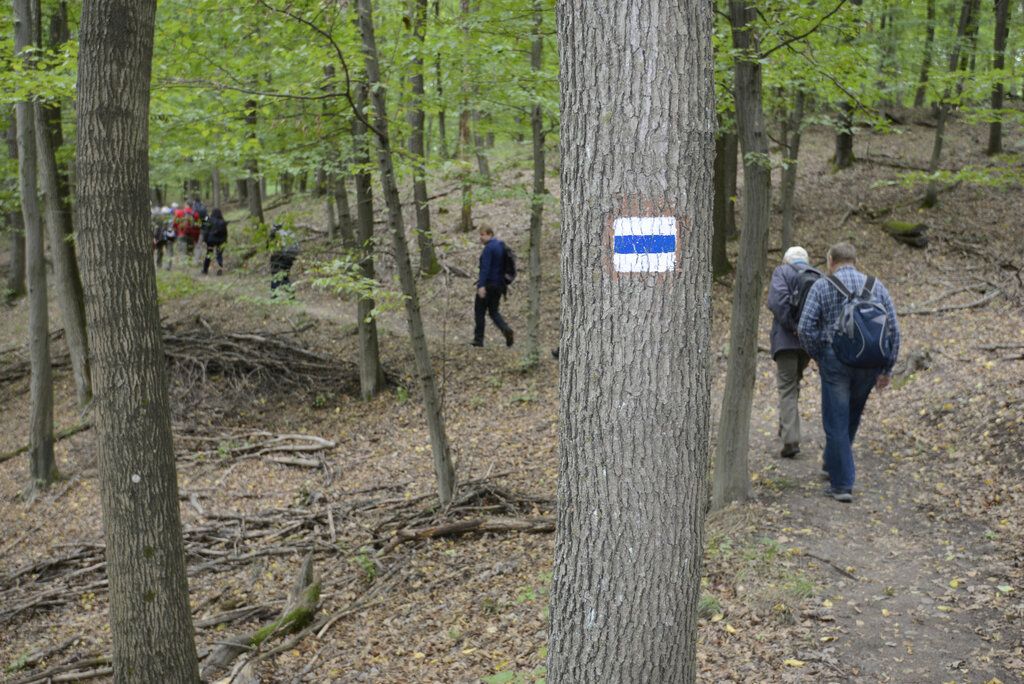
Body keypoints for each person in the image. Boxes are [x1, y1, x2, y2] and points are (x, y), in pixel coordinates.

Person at [798, 242, 901, 503]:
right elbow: (894, 331)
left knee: (835, 420)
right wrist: (887, 369)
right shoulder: (876, 286)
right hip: (870, 363)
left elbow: (805, 327)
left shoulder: (823, 285)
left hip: (836, 363)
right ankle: (832, 464)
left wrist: (819, 354)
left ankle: (842, 484)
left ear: (831, 260)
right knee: (851, 417)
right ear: (855, 260)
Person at [766, 246, 821, 459]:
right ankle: (785, 427)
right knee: (793, 383)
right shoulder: (818, 275)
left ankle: (790, 438)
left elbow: (776, 302)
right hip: (807, 345)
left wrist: (793, 327)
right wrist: (807, 331)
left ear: (787, 260)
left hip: (786, 342)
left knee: (787, 387)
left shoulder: (782, 272)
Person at [472, 226, 514, 347]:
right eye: (480, 234)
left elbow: (485, 268)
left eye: (482, 234)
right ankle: (506, 329)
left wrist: (481, 286)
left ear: (490, 234)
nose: (480, 237)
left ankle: (478, 340)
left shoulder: (489, 248)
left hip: (488, 284)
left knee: (479, 311)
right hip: (500, 285)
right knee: (494, 312)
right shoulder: (501, 245)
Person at [269, 223, 299, 295]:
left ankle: (275, 295)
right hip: (292, 256)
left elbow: (271, 245)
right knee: (284, 275)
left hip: (284, 255)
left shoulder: (277, 233)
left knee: (276, 275)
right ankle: (289, 294)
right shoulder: (289, 231)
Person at [203, 208, 228, 275]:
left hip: (211, 240)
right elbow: (225, 233)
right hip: (221, 241)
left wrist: (205, 240)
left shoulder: (209, 220)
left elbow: (206, 231)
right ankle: (219, 268)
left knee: (208, 254)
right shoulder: (223, 222)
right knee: (219, 255)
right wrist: (225, 241)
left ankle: (205, 270)